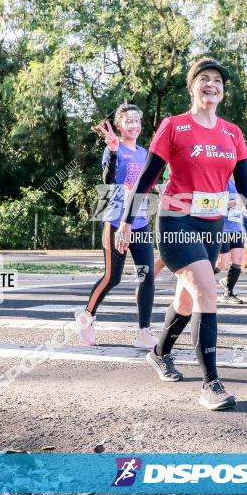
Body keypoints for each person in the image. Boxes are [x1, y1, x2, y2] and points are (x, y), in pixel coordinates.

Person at [117, 57, 247, 410]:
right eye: (204, 79)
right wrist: (126, 219)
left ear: (223, 90)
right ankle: (211, 384)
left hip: (211, 224)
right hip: (176, 220)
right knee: (207, 290)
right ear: (192, 86)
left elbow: (244, 182)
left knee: (188, 298)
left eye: (217, 80)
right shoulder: (174, 126)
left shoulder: (232, 132)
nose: (211, 84)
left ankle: (159, 353)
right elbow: (148, 176)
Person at [75, 104, 159, 350]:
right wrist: (112, 152)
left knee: (147, 276)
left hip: (140, 220)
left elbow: (144, 185)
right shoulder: (113, 149)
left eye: (137, 120)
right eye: (128, 121)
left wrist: (159, 188)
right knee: (113, 277)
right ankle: (87, 317)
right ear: (119, 125)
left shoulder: (144, 152)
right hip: (115, 221)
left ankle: (144, 331)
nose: (134, 125)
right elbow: (108, 182)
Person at [217, 178, 247, 304]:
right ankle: (194, 279)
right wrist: (234, 203)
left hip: (236, 227)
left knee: (238, 260)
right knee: (222, 264)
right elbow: (213, 204)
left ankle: (228, 292)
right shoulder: (221, 180)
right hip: (222, 227)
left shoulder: (241, 182)